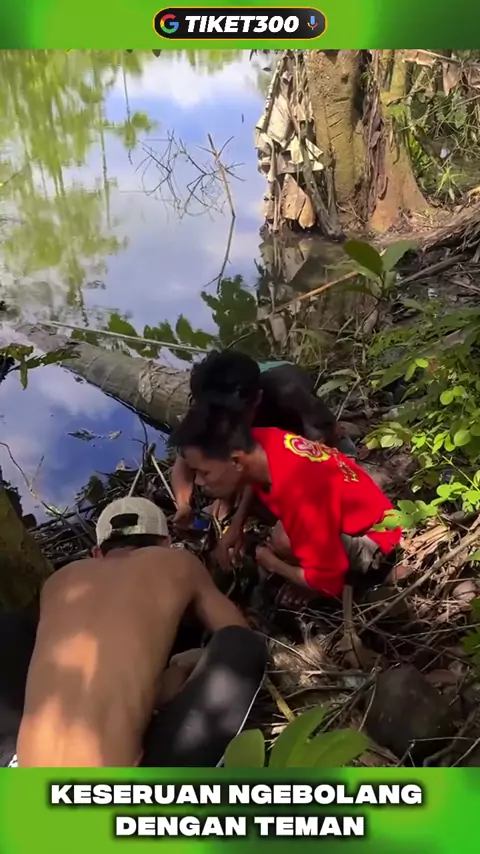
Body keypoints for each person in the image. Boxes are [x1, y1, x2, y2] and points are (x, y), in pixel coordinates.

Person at [12, 497, 267, 767]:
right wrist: (186, 663)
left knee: (12, 628)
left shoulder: (58, 582)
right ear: (166, 542)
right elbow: (236, 630)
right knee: (242, 646)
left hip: (26, 783)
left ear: (97, 552)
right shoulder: (177, 562)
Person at [171, 410, 402, 605]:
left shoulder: (300, 498)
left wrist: (273, 563)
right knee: (286, 534)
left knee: (283, 541)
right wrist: (236, 526)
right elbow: (251, 479)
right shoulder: (261, 441)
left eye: (204, 472)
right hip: (360, 506)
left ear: (236, 461)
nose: (198, 482)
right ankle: (314, 558)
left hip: (376, 543)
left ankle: (318, 578)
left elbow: (330, 584)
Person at [171, 349, 357, 548]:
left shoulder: (288, 395)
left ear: (257, 400)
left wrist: (237, 519)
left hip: (300, 429)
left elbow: (266, 469)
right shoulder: (210, 404)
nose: (224, 424)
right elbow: (185, 457)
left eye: (232, 418)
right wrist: (183, 504)